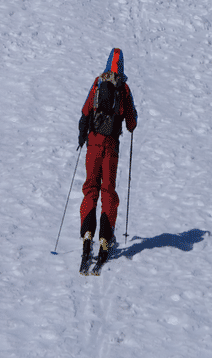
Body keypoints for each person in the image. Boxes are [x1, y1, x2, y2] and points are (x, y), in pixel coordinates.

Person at [77, 48, 137, 272]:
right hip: (111, 146)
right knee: (108, 191)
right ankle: (105, 238)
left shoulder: (98, 82)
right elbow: (131, 124)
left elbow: (85, 111)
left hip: (93, 143)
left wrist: (83, 135)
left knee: (90, 188)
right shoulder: (124, 87)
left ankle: (87, 235)